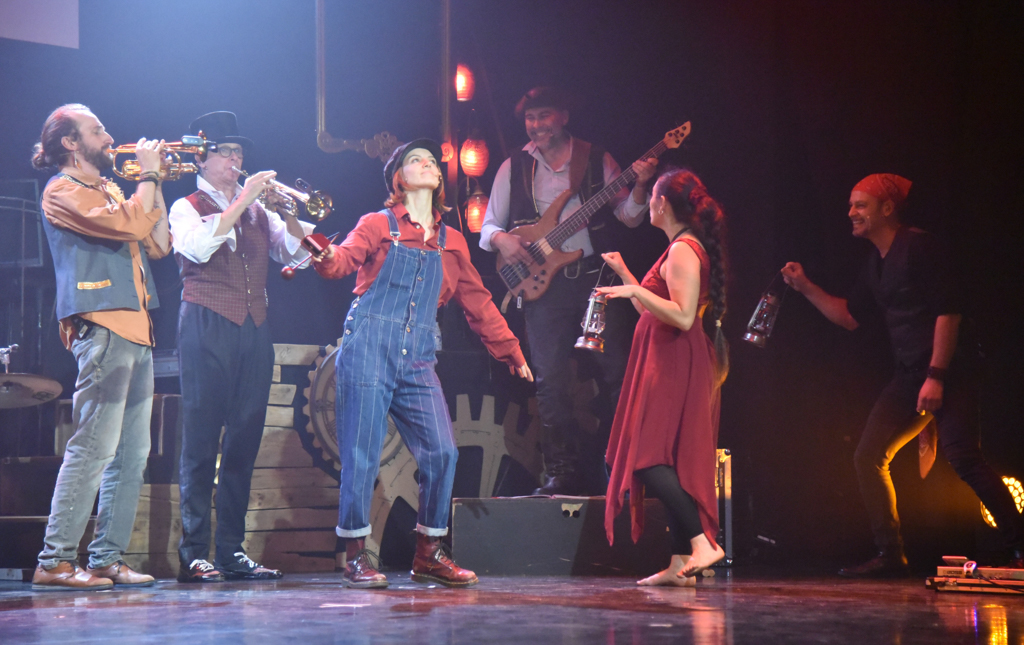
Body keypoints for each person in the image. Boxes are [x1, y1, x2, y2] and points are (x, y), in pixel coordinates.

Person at [313, 138, 534, 589]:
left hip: (417, 355)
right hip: (369, 345)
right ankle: (356, 553)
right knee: (362, 451)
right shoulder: (377, 224)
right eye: (417, 160)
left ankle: (429, 552)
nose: (428, 165)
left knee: (442, 451)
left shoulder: (452, 242)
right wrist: (325, 256)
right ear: (398, 178)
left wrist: (509, 348)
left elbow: (478, 301)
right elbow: (344, 259)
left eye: (433, 161)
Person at [781, 173, 1024, 576]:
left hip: (951, 371)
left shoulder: (919, 246)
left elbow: (950, 312)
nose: (851, 213)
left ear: (887, 209)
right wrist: (804, 286)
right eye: (850, 205)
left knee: (964, 458)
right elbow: (848, 317)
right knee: (868, 457)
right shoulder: (875, 263)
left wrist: (936, 375)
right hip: (911, 374)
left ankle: (1019, 546)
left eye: (860, 205)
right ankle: (891, 554)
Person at [479, 86, 657, 495]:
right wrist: (504, 241)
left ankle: (622, 469)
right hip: (545, 288)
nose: (536, 125)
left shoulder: (596, 159)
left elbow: (630, 218)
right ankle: (561, 471)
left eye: (543, 116)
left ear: (563, 115)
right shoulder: (515, 166)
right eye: (530, 118)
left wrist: (643, 186)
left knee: (618, 373)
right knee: (551, 380)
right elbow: (488, 227)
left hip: (597, 278)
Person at [169, 111, 314, 583]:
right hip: (206, 322)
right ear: (204, 160)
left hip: (254, 326)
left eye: (240, 155)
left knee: (244, 439)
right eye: (228, 153)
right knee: (201, 438)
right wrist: (244, 199)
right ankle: (194, 552)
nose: (237, 161)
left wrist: (289, 212)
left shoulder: (259, 211)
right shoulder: (186, 205)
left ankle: (231, 549)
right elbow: (196, 249)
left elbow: (297, 255)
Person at [31, 104, 171, 590]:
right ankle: (54, 561)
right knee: (93, 447)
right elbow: (130, 227)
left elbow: (158, 244)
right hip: (102, 323)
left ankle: (106, 557)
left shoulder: (111, 190)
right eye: (98, 131)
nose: (110, 137)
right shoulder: (62, 191)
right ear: (71, 143)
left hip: (138, 327)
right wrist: (148, 178)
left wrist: (156, 183)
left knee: (132, 453)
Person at [602, 169, 729, 585]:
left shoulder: (683, 250)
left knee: (648, 457)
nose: (649, 202)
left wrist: (637, 291)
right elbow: (656, 311)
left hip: (674, 360)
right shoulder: (677, 247)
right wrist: (628, 280)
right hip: (664, 355)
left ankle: (701, 543)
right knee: (662, 456)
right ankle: (679, 563)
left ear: (661, 204)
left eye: (652, 196)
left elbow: (684, 316)